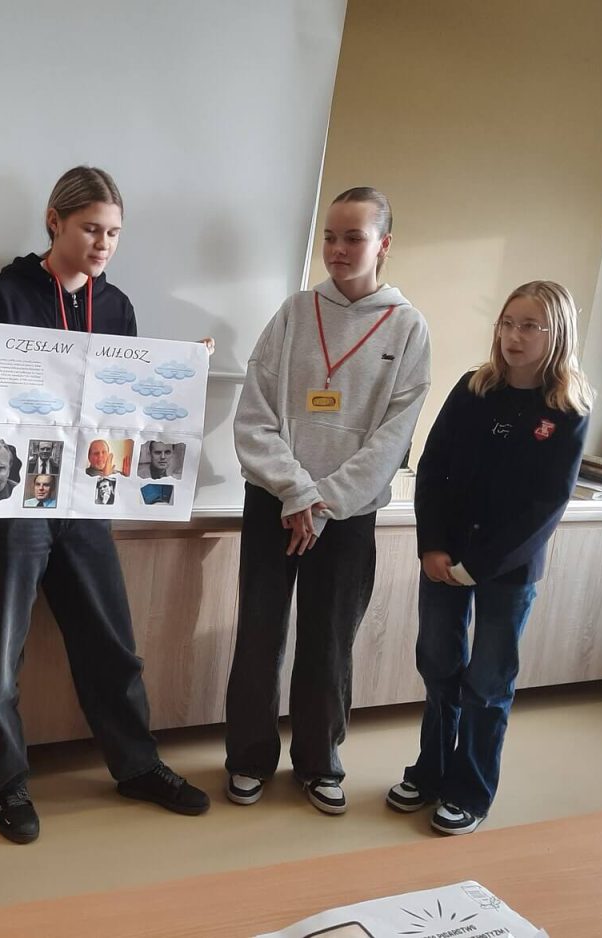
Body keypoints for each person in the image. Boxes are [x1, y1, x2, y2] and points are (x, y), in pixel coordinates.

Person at [0, 166, 211, 844]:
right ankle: (5, 784)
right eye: (90, 228)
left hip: (85, 499)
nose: (102, 244)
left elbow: (130, 416)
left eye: (113, 232)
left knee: (111, 642)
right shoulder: (1, 293)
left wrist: (182, 379)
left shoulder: (118, 308)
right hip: (7, 505)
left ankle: (136, 765)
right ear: (54, 221)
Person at [225, 187, 431, 815]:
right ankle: (248, 758)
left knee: (329, 641)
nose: (338, 250)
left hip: (346, 515)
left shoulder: (408, 327)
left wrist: (322, 503)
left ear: (384, 245)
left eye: (354, 238)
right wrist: (294, 491)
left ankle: (319, 763)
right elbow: (253, 415)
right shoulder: (294, 312)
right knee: (258, 635)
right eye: (331, 237)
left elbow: (393, 438)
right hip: (273, 502)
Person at [386, 281, 592, 835]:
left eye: (529, 326)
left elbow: (546, 505)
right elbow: (433, 468)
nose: (513, 336)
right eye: (507, 323)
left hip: (507, 567)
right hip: (444, 556)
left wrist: (479, 564)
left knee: (488, 682)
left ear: (557, 334)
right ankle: (431, 772)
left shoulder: (567, 409)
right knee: (438, 666)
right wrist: (433, 545)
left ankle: (470, 790)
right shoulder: (473, 388)